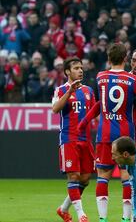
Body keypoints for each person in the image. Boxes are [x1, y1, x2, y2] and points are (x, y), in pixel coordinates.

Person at [78, 43, 136, 222]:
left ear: (109, 59)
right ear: (126, 59)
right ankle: (126, 219)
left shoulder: (100, 77)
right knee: (127, 177)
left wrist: (84, 122)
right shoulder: (134, 80)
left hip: (104, 133)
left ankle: (103, 219)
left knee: (103, 176)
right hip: (126, 135)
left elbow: (99, 104)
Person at [52, 57, 96, 222]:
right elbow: (55, 109)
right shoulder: (61, 90)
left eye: (81, 68)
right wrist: (69, 92)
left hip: (86, 139)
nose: (80, 70)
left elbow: (94, 112)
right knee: (73, 177)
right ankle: (81, 215)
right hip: (69, 138)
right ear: (67, 72)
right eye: (76, 68)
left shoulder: (89, 91)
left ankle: (63, 209)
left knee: (85, 179)